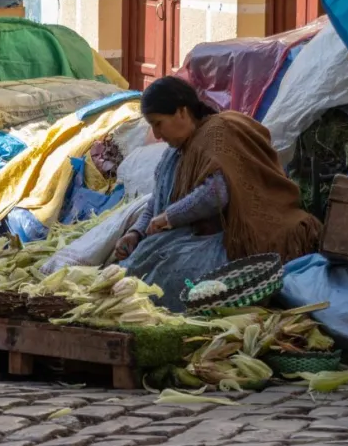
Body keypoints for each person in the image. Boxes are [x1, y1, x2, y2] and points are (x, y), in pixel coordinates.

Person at [114, 77, 321, 311]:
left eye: (158, 123)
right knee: (139, 263)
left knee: (171, 278)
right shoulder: (175, 153)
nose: (157, 134)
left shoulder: (217, 133)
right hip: (203, 236)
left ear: (182, 112)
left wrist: (169, 217)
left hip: (242, 238)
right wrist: (136, 231)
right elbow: (158, 198)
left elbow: (216, 192)